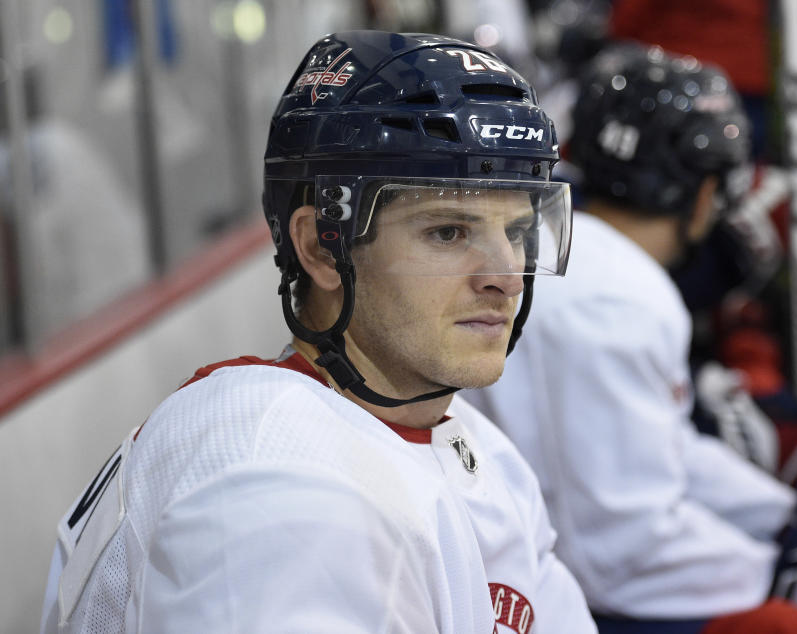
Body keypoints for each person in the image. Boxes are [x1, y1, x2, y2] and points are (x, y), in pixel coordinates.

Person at [39, 30, 596, 634]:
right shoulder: (274, 492)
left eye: (516, 233)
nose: (505, 277)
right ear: (321, 248)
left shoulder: (475, 446)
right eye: (448, 232)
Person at [465, 42, 797, 633]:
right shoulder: (621, 292)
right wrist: (774, 568)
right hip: (544, 591)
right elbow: (620, 554)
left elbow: (664, 455)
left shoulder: (562, 241)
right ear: (702, 193)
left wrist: (785, 516)